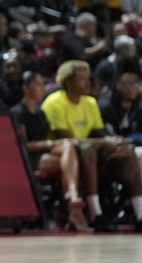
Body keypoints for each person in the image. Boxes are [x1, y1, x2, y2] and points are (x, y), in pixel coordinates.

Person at [41, 60, 142, 233]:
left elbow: (100, 134)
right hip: (66, 153)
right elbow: (67, 139)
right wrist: (104, 142)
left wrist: (115, 145)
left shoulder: (90, 102)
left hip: (90, 150)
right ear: (68, 81)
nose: (87, 82)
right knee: (88, 150)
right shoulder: (54, 102)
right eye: (82, 79)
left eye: (87, 78)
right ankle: (96, 213)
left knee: (127, 151)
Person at [12, 71, 90, 232]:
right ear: (25, 88)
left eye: (43, 84)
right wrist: (52, 143)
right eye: (38, 84)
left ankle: (72, 199)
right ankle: (73, 204)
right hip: (27, 159)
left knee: (68, 148)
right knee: (70, 162)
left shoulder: (41, 113)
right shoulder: (18, 112)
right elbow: (23, 145)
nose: (43, 88)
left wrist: (58, 143)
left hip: (45, 155)